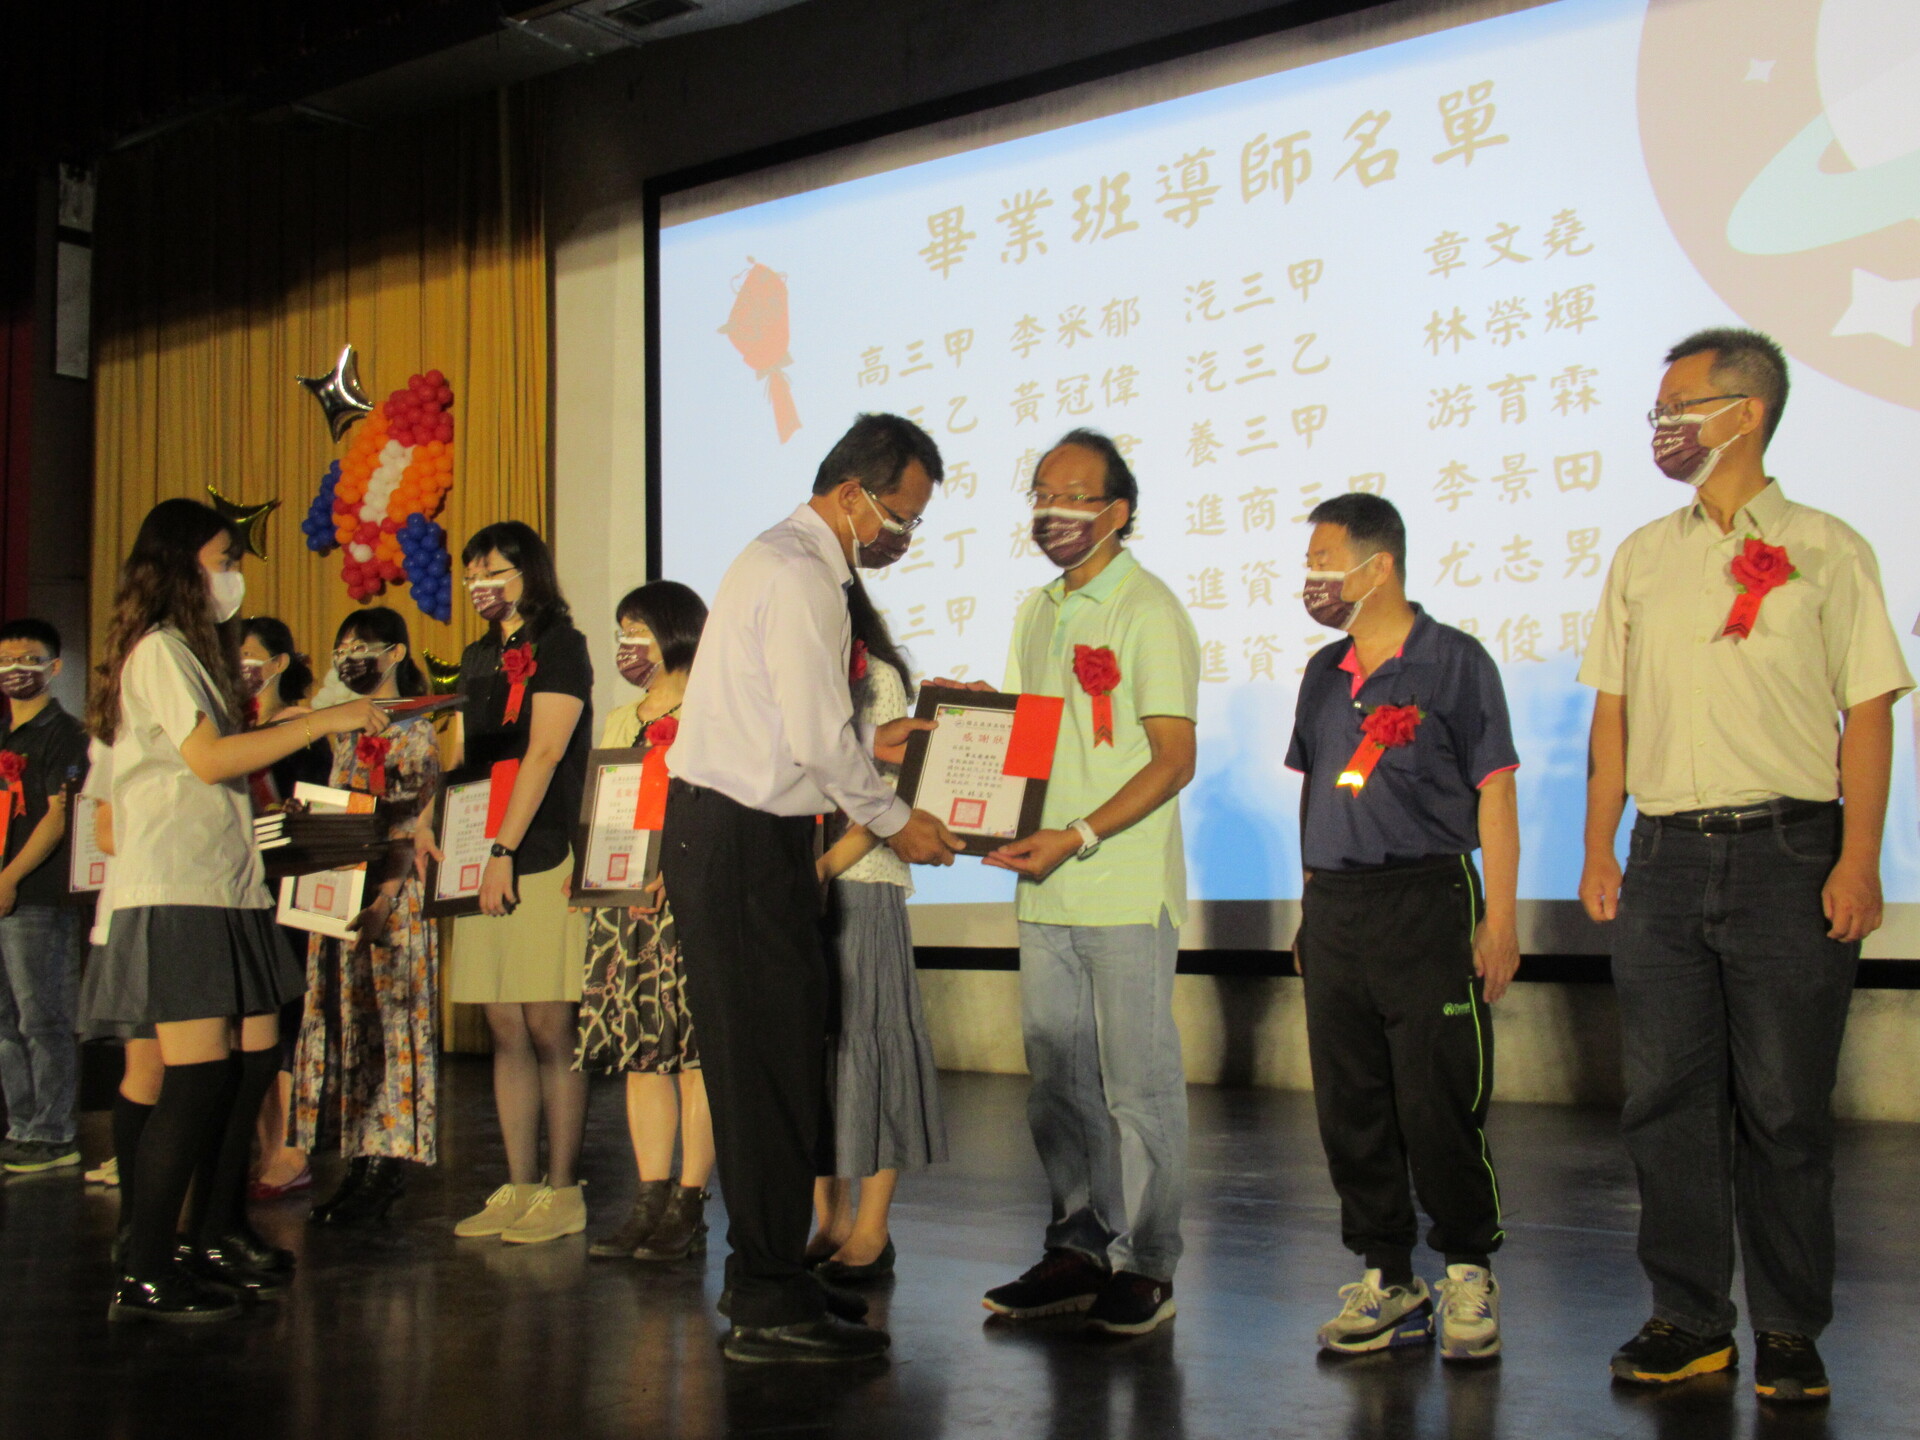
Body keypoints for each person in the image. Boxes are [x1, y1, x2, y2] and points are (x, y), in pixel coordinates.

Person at [1579, 328, 1912, 1403]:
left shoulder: (1829, 547)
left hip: (1789, 851)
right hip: (1665, 854)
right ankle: (1689, 1318)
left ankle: (1790, 1327)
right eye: (1658, 411)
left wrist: (1859, 859)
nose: (1663, 426)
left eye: (1681, 407)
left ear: (1746, 412)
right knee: (1664, 1103)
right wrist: (1598, 844)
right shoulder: (1643, 554)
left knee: (1785, 1108)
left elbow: (1869, 713)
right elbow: (1612, 713)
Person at [664, 412, 964, 1364]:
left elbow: (791, 724)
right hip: (740, 842)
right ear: (850, 495)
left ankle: (773, 1281)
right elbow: (814, 743)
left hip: (741, 836)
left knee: (779, 1066)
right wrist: (897, 819)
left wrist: (870, 744)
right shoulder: (801, 575)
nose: (902, 536)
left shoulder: (787, 561)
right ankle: (765, 1299)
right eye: (900, 517)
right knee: (763, 1074)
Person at [79, 497, 389, 1323]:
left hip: (217, 881)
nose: (233, 576)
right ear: (182, 565)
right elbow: (210, 760)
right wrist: (322, 720)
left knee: (222, 1071)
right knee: (195, 1075)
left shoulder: (189, 652)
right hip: (175, 886)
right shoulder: (159, 650)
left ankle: (185, 1246)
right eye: (222, 559)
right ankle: (147, 1264)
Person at [973, 429, 1199, 1338]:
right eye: (1040, 494)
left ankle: (1147, 1263)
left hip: (1122, 887)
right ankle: (1078, 1243)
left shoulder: (1147, 608)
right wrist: (963, 729)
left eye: (1072, 496)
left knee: (1137, 1088)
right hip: (1045, 886)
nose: (1051, 512)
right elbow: (1026, 739)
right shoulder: (1037, 610)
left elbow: (1174, 758)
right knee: (1057, 1084)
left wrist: (1079, 834)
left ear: (1118, 512)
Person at [1283, 493, 1519, 1361]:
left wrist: (1501, 916)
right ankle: (1388, 1276)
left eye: (1324, 561)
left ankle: (1467, 1269)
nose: (1311, 577)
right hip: (1337, 910)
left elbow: (1496, 788)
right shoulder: (1323, 672)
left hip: (1427, 900)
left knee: (1436, 1100)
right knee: (1351, 1103)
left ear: (1377, 566)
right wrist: (1309, 902)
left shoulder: (1454, 662)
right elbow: (1316, 791)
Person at [431, 522, 593, 1246]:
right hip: (480, 854)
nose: (480, 585)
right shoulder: (476, 656)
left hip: (541, 850)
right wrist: (433, 821)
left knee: (549, 1024)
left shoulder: (562, 645)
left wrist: (505, 847)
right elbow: (466, 756)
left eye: (493, 571)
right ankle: (520, 1185)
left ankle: (565, 1190)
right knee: (503, 1025)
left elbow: (547, 750)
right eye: (471, 574)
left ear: (529, 572)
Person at [806, 578, 947, 1283]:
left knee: (872, 1050)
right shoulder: (800, 676)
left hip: (859, 879)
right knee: (820, 1058)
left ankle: (871, 1229)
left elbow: (889, 796)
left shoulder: (877, 676)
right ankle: (829, 1221)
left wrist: (825, 865)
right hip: (803, 886)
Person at [575, 582, 716, 1264]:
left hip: (688, 903)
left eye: (639, 631)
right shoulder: (618, 720)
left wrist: (671, 869)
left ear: (677, 632)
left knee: (694, 1057)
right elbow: (605, 809)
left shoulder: (715, 709)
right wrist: (599, 871)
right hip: (625, 909)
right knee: (641, 1054)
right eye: (622, 632)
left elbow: (718, 808)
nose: (628, 645)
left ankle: (690, 1202)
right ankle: (648, 1198)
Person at [295, 608, 441, 1228]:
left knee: (393, 1026)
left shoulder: (418, 729)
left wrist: (383, 897)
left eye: (363, 648)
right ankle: (357, 1158)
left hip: (391, 900)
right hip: (343, 899)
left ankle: (387, 1163)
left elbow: (411, 824)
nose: (350, 659)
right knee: (352, 1025)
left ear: (396, 653)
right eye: (342, 650)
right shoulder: (346, 730)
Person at [0, 618, 90, 1174]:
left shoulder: (66, 734)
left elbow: (59, 816)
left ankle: (54, 1133)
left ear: (54, 667)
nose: (16, 670)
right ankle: (21, 1125)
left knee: (44, 1018)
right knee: (4, 1022)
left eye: (29, 660)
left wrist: (9, 877)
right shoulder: (4, 735)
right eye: (6, 660)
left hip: (36, 894)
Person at [239, 614, 324, 1200]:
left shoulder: (305, 728)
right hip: (243, 888)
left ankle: (292, 1150)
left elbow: (318, 804)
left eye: (250, 656)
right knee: (253, 1021)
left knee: (289, 1017)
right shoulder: (226, 728)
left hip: (293, 888)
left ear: (278, 664)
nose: (240, 667)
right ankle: (263, 1145)